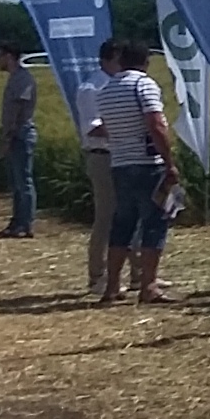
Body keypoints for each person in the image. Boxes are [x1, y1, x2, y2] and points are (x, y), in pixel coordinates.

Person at [93, 36, 177, 304]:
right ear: (145, 61)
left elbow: (107, 128)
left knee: (123, 225)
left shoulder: (106, 90)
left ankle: (112, 286)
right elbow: (155, 124)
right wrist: (170, 162)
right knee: (153, 224)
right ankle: (148, 286)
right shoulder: (143, 85)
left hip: (120, 163)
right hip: (147, 163)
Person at [78, 42, 117, 294]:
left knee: (129, 214)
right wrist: (129, 130)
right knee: (106, 216)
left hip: (122, 155)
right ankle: (97, 276)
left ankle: (136, 273)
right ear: (107, 60)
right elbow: (93, 126)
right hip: (102, 155)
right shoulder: (91, 88)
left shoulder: (118, 85)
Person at [0, 46, 38, 238]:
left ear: (10, 56)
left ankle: (25, 223)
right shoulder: (15, 78)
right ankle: (16, 221)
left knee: (23, 181)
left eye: (0, 56)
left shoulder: (23, 79)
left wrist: (8, 135)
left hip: (20, 135)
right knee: (16, 182)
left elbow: (18, 110)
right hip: (14, 135)